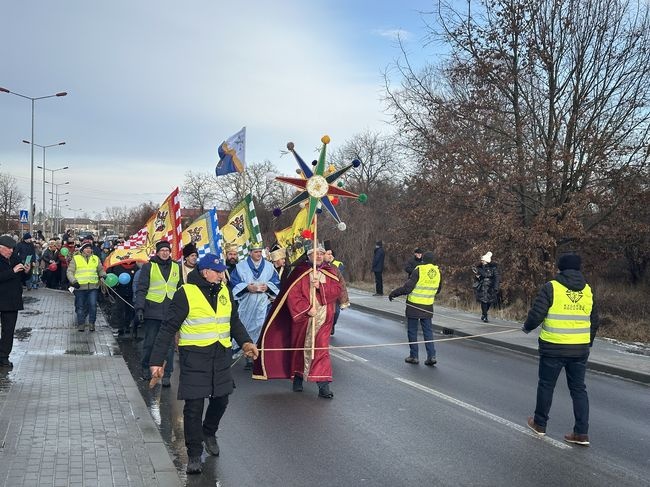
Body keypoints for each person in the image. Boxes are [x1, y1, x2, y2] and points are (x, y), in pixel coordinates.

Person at [149, 253, 259, 475]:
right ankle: (194, 454)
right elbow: (168, 328)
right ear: (205, 272)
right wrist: (156, 361)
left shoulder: (225, 291)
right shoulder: (185, 293)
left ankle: (209, 432)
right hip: (195, 358)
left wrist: (246, 342)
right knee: (193, 408)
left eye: (222, 272)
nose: (221, 275)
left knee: (221, 400)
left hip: (220, 356)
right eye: (218, 272)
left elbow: (233, 321)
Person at [523, 253, 599, 447]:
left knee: (546, 385)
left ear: (560, 268)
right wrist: (587, 342)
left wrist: (527, 327)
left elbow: (537, 314)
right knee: (579, 390)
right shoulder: (588, 290)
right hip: (579, 350)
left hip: (553, 347)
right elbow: (594, 320)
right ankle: (581, 433)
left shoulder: (552, 287)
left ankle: (539, 424)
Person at [252, 245, 345, 399]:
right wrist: (307, 309)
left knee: (320, 350)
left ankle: (323, 385)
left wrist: (320, 287)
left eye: (321, 253)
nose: (319, 256)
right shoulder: (299, 272)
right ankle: (298, 378)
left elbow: (337, 290)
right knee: (300, 349)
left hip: (323, 320)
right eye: (315, 254)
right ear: (308, 256)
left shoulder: (331, 271)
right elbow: (292, 296)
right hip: (304, 319)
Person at [134, 240, 181, 387]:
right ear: (157, 252)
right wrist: (139, 308)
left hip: (170, 311)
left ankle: (166, 373)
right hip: (152, 310)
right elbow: (141, 289)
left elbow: (180, 289)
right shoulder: (149, 267)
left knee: (168, 345)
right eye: (162, 251)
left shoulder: (176, 267)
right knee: (150, 342)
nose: (165, 253)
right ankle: (146, 367)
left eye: (167, 250)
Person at [230, 242, 280, 369]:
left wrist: (268, 286)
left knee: (260, 327)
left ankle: (256, 357)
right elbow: (234, 283)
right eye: (255, 252)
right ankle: (246, 353)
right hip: (247, 302)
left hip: (262, 303)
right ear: (250, 253)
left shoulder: (269, 266)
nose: (258, 254)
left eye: (260, 252)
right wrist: (247, 287)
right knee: (245, 326)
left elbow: (276, 282)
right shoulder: (240, 267)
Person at [388, 251, 441, 366]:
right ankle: (431, 356)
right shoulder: (437, 271)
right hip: (428, 306)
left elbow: (407, 288)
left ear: (423, 260)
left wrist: (394, 293)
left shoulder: (419, 270)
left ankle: (414, 356)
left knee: (412, 331)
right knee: (428, 332)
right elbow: (438, 290)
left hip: (414, 305)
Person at [0, 235, 30, 368]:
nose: (11, 251)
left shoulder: (15, 258)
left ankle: (4, 357)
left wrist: (27, 272)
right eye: (8, 248)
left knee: (8, 331)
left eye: (12, 248)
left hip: (12, 301)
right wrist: (12, 271)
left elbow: (22, 277)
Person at [67, 241, 107, 332]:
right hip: (79, 287)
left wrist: (102, 275)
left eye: (89, 248)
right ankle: (81, 324)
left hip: (93, 287)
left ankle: (91, 323)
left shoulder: (95, 258)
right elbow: (70, 271)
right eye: (86, 248)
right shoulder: (76, 258)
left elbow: (100, 269)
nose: (88, 250)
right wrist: (73, 281)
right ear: (82, 249)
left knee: (93, 305)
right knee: (80, 306)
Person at [323, 249, 349, 336]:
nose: (330, 255)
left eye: (331, 254)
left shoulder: (337, 264)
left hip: (335, 295)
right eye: (328, 254)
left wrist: (344, 299)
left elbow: (341, 281)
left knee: (336, 313)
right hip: (324, 295)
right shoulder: (319, 265)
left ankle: (332, 325)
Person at [473, 251, 500, 322]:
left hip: (491, 287)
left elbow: (497, 278)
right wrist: (477, 277)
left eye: (483, 260)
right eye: (482, 260)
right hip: (482, 287)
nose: (482, 261)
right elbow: (476, 278)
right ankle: (485, 315)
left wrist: (496, 287)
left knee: (489, 301)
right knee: (484, 301)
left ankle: (484, 313)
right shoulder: (479, 268)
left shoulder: (493, 268)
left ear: (487, 261)